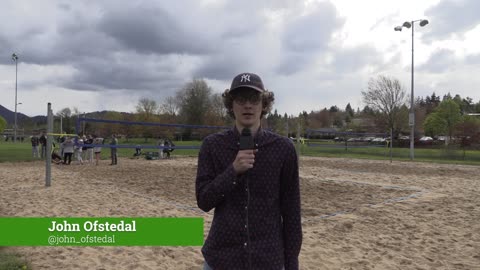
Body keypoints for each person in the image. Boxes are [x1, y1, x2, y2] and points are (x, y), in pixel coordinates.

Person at [196, 73, 302, 270]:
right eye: (241, 99)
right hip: (221, 258)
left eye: (254, 99)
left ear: (264, 104)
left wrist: (292, 263)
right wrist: (233, 171)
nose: (248, 105)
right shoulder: (212, 145)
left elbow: (292, 213)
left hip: (267, 259)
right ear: (231, 105)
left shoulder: (283, 149)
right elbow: (203, 201)